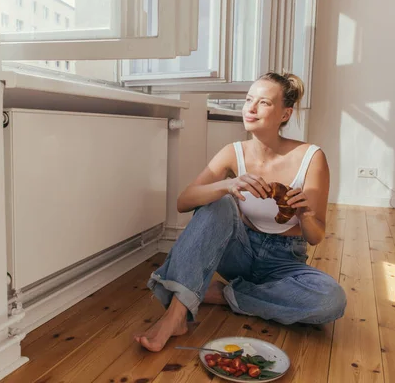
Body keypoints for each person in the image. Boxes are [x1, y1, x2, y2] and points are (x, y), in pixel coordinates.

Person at [134, 72, 347, 352]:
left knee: (330, 300)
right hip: (238, 251)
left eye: (264, 103)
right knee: (220, 202)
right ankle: (175, 317)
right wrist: (227, 184)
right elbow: (184, 201)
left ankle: (223, 294)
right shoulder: (233, 152)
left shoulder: (311, 157)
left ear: (286, 113)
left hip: (283, 263)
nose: (251, 108)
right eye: (248, 100)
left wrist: (305, 213)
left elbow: (316, 236)